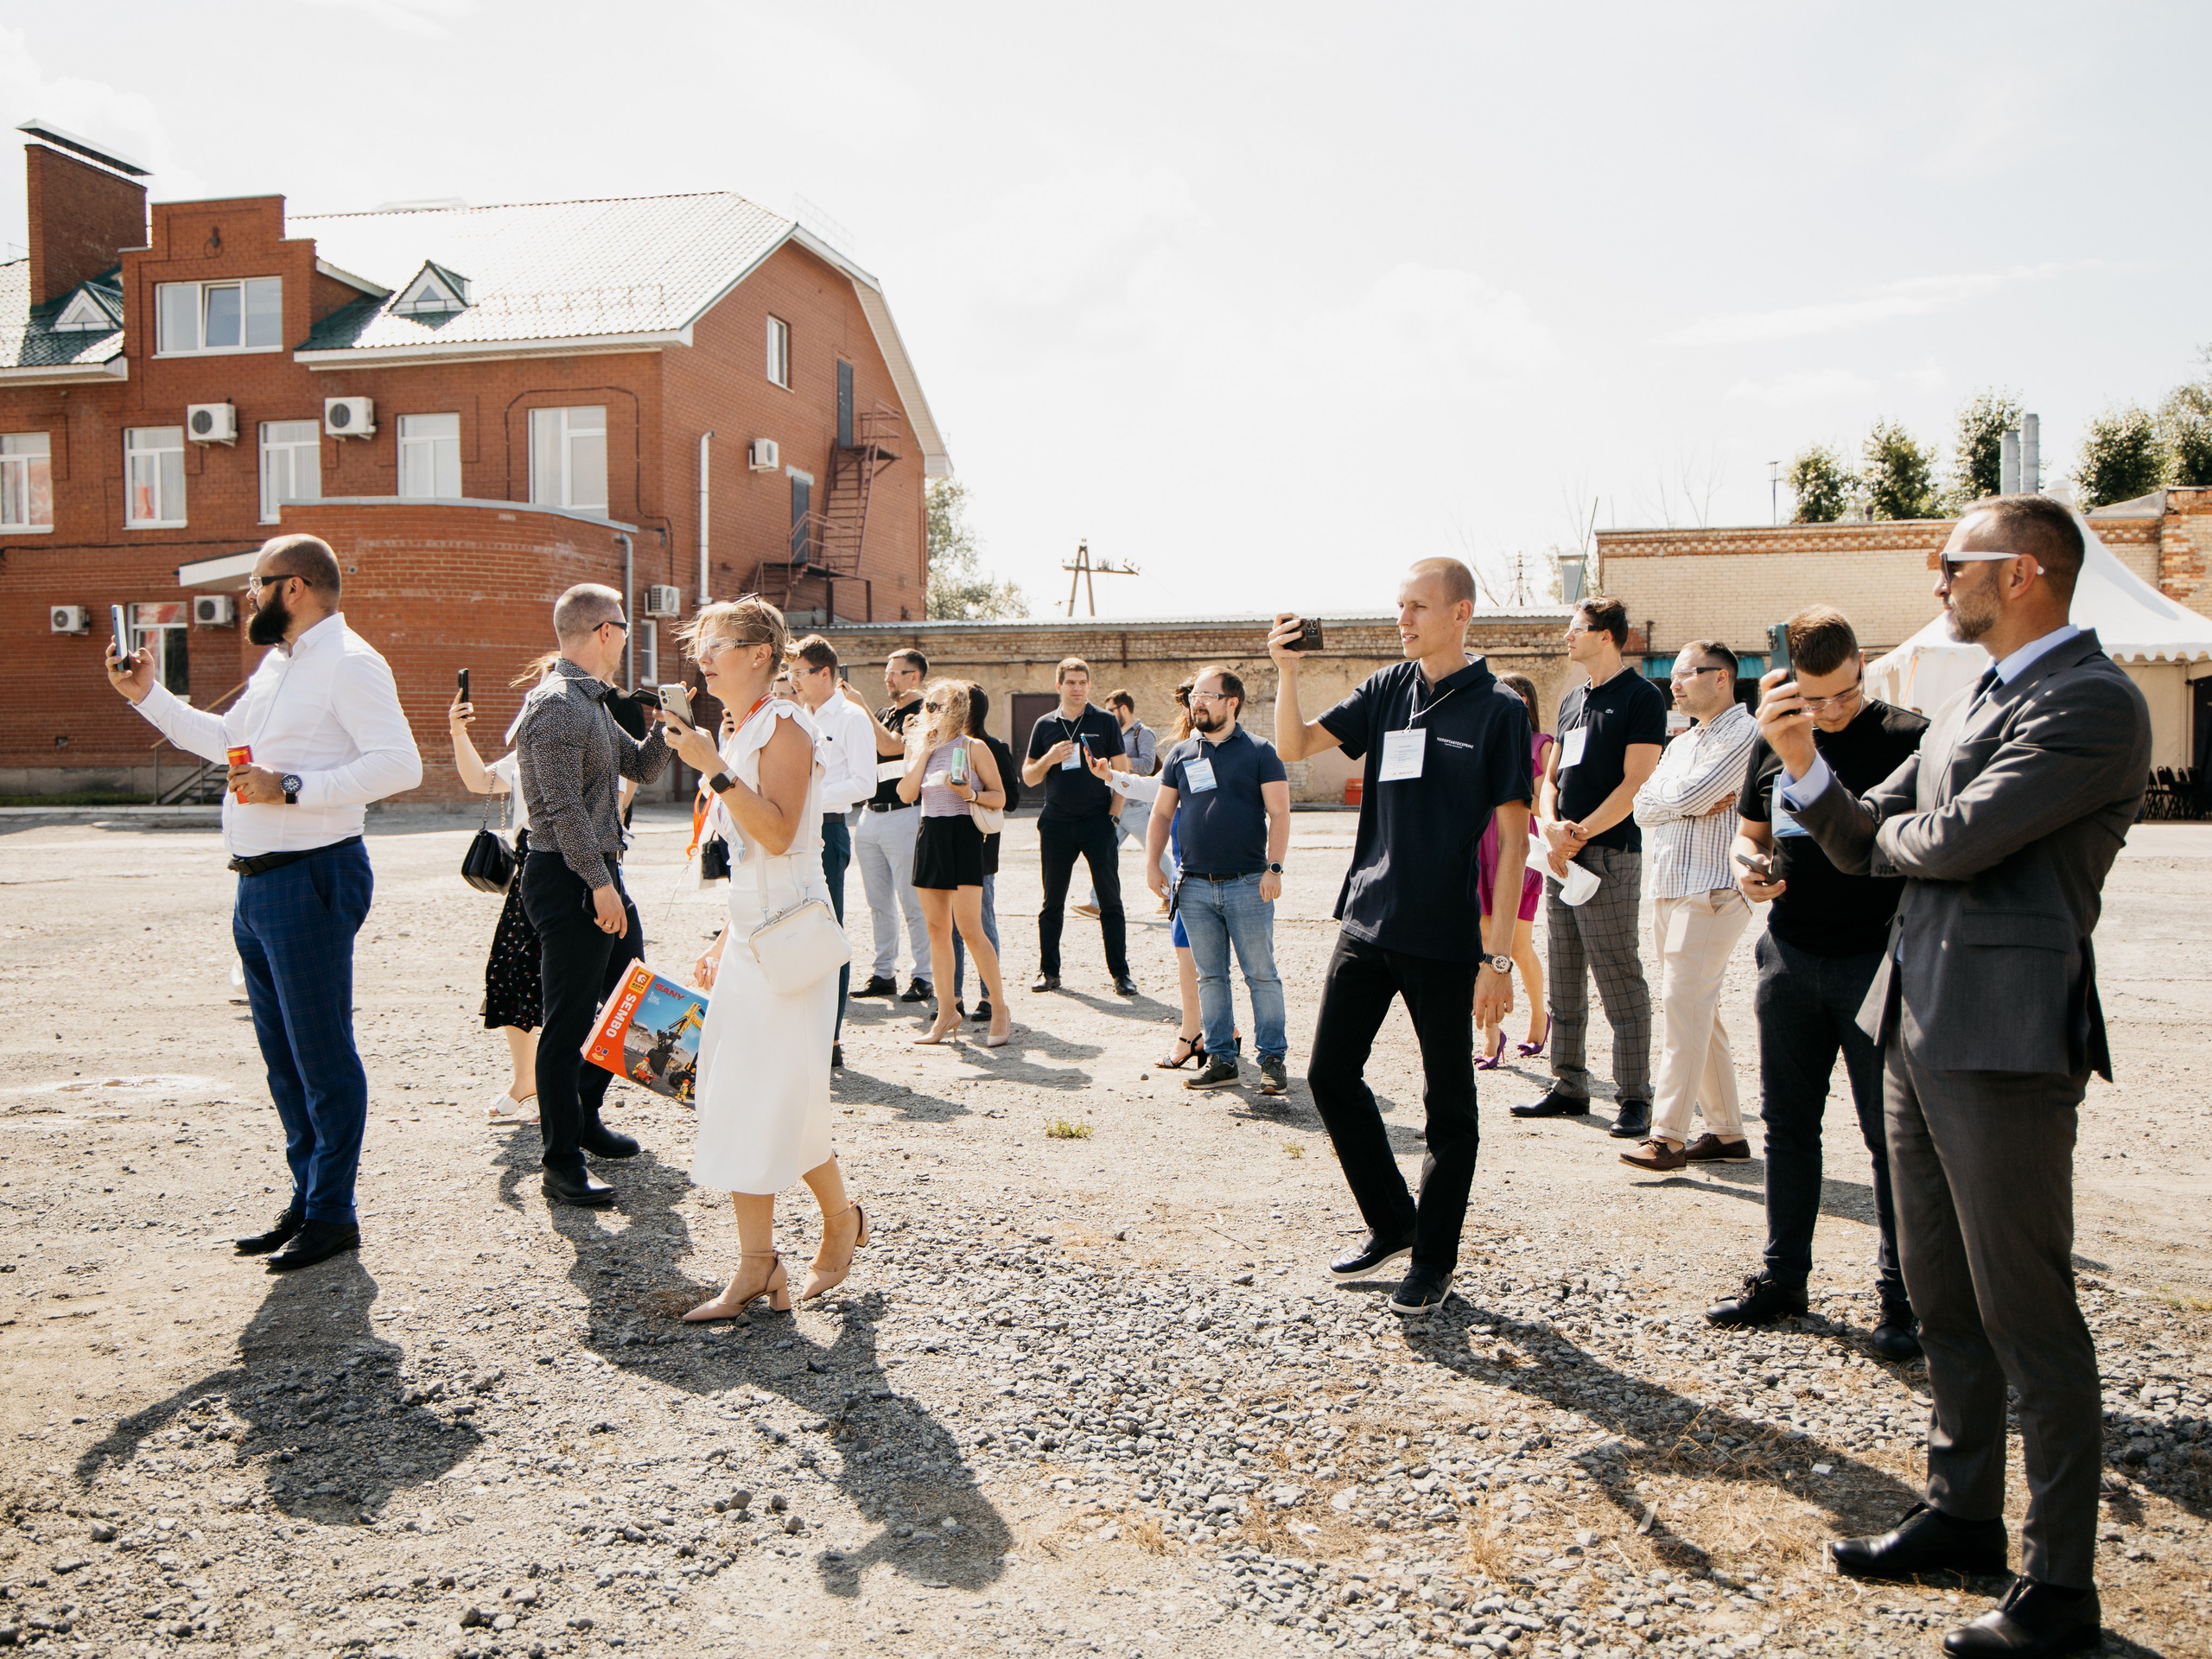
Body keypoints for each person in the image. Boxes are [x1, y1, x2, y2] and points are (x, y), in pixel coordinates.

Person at [1776, 497, 2146, 1657]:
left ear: (2023, 573)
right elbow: (1860, 831)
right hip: (1918, 1018)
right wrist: (1799, 769)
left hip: (2004, 1034)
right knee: (1938, 1290)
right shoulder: (1976, 696)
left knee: (2027, 1309)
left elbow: (1944, 843)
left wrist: (1873, 827)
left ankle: (2060, 1592)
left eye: (1953, 563)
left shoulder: (2092, 702)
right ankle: (1963, 1511)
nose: (1936, 580)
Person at [107, 532, 423, 1272]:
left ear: (295, 588)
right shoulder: (281, 664)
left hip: (311, 872)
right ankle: (310, 1195)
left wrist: (294, 787)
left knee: (320, 1054)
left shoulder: (351, 663)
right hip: (257, 881)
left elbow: (400, 763)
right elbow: (225, 742)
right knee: (283, 1058)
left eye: (257, 583)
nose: (248, 596)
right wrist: (146, 695)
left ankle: (333, 1215)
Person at [1272, 557, 1533, 1316]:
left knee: (1449, 1106)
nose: (1403, 619)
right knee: (1329, 1076)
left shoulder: (1497, 710)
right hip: (1368, 918)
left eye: (1418, 606)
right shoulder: (1389, 688)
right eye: (1399, 606)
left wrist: (1498, 958)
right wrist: (1286, 673)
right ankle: (1393, 1221)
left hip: (1448, 938)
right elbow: (1295, 748)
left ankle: (1433, 1259)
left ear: (1461, 613)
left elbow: (1515, 843)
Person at [1705, 606, 1928, 1362]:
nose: (1830, 712)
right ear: (1790, 683)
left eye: (1843, 694)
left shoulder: (1910, 739)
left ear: (1863, 665)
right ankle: (1783, 1278)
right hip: (1790, 958)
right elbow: (1750, 832)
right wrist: (1747, 869)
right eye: (1814, 697)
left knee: (1888, 1138)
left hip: (1875, 963)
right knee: (1788, 1129)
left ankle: (1902, 1302)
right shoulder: (1774, 735)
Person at [658, 597, 869, 1317]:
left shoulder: (784, 725)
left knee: (777, 1095)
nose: (702, 656)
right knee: (740, 1094)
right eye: (699, 642)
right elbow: (748, 857)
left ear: (758, 654)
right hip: (751, 930)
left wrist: (710, 766)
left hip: (790, 933)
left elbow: (779, 836)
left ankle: (836, 1225)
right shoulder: (737, 726)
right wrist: (724, 937)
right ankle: (761, 1265)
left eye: (714, 641)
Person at [512, 583, 671, 1210]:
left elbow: (641, 768)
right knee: (570, 1019)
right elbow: (561, 810)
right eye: (625, 627)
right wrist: (599, 885)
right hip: (568, 876)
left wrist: (670, 728)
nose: (628, 638)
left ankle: (586, 1114)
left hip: (600, 871)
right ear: (604, 631)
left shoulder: (592, 702)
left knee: (629, 998)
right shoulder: (556, 705)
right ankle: (560, 1161)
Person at [1514, 596, 1666, 1138]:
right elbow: (1550, 779)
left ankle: (1634, 1098)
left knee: (1618, 976)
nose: (1567, 637)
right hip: (1560, 856)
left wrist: (1580, 833)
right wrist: (1552, 827)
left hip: (1608, 855)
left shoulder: (1642, 698)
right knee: (1565, 973)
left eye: (1575, 629)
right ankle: (1570, 1085)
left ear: (1606, 636)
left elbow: (1636, 782)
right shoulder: (1572, 699)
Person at [1617, 641, 1762, 1173]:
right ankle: (1726, 1133)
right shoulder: (1682, 742)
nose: (1674, 685)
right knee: (1698, 1011)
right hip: (1672, 888)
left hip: (1714, 889)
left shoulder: (1745, 734)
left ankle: (1667, 1136)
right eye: (1673, 676)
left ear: (1722, 678)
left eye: (1686, 674)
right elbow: (1642, 807)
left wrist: (1679, 800)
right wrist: (1680, 800)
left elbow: (1685, 799)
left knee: (1682, 1010)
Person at [1144, 665, 1291, 1095]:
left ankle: (1272, 1059)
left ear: (1232, 702)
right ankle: (1222, 1060)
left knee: (1261, 974)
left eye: (1207, 695)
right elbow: (1161, 813)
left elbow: (1280, 813)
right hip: (1193, 886)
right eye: (1194, 696)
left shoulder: (1262, 752)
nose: (1197, 702)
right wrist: (1153, 863)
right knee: (1210, 976)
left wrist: (1274, 867)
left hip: (1249, 883)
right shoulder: (1181, 755)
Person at [448, 656, 560, 1123]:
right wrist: (458, 733)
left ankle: (567, 1090)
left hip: (574, 870)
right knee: (511, 974)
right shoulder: (526, 751)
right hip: (529, 870)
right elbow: (479, 781)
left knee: (570, 985)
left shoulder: (595, 736)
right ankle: (527, 1079)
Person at [897, 679, 1013, 1046]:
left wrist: (970, 792)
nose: (929, 712)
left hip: (963, 835)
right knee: (936, 929)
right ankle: (947, 1011)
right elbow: (905, 793)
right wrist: (923, 753)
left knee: (970, 929)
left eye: (937, 706)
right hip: (930, 834)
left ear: (958, 709)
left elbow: (1000, 796)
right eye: (927, 706)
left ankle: (999, 1008)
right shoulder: (920, 748)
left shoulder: (973, 747)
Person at [786, 636, 880, 1069]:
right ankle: (800, 1029)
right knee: (793, 930)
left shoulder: (851, 717)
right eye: (791, 673)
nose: (793, 680)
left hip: (827, 827)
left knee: (827, 930)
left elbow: (865, 783)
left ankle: (831, 1037)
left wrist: (809, 800)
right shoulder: (798, 715)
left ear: (825, 673)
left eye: (800, 672)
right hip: (793, 829)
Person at [1023, 658, 1137, 996]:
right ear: (1058, 686)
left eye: (1082, 682)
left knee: (1110, 901)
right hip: (1057, 822)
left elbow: (1123, 773)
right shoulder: (1044, 725)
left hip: (1097, 822)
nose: (1076, 688)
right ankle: (1049, 971)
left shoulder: (1105, 721)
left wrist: (1114, 817)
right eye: (1070, 682)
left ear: (1089, 685)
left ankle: (1120, 974)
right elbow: (1028, 777)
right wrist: (1049, 759)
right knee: (1051, 902)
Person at [1475, 671, 1553, 1068]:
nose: (1511, 702)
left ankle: (1540, 1019)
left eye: (1519, 695)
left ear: (1529, 702)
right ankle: (1492, 1036)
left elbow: (1548, 805)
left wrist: (1511, 791)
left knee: (1518, 947)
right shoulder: (1486, 744)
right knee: (1485, 947)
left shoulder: (1543, 745)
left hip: (1520, 851)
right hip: (1481, 850)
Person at [850, 649, 934, 1006]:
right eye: (887, 672)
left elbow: (891, 746)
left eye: (896, 673)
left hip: (904, 813)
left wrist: (859, 706)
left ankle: (923, 975)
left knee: (912, 900)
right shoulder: (885, 713)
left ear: (914, 677)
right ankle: (884, 973)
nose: (888, 678)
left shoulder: (924, 712)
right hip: (871, 813)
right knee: (877, 902)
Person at [949, 683, 1022, 1024]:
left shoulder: (994, 747)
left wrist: (973, 791)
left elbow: (1011, 798)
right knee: (949, 926)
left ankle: (990, 998)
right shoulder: (942, 748)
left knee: (980, 922)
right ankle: (954, 997)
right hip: (945, 842)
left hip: (979, 846)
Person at [1072, 689, 1157, 920]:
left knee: (1155, 852)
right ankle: (1097, 902)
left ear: (1124, 709)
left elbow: (1148, 766)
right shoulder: (1115, 732)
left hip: (1137, 806)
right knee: (1105, 852)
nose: (1108, 714)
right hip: (1116, 805)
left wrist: (1119, 758)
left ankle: (1171, 895)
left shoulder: (1142, 733)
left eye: (1111, 709)